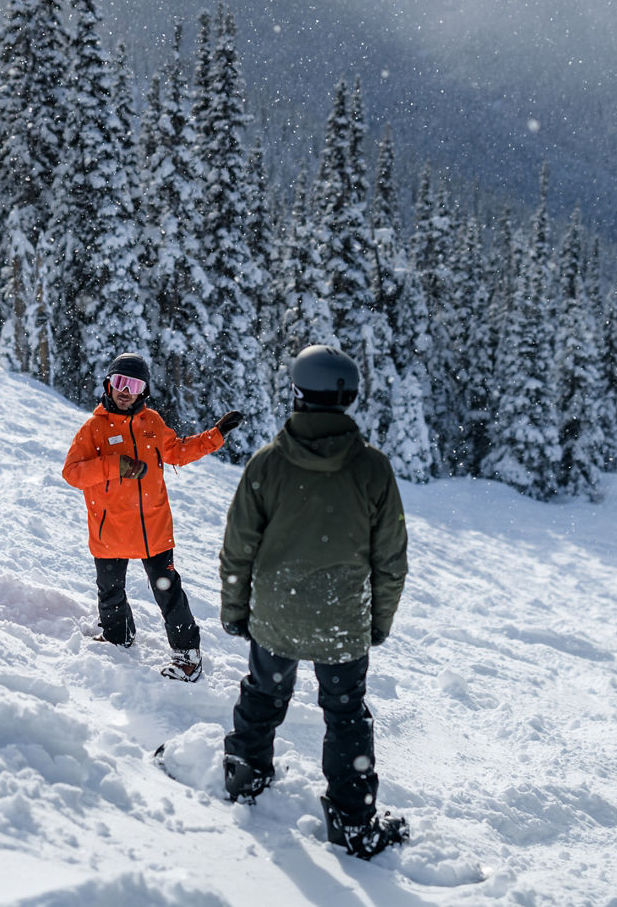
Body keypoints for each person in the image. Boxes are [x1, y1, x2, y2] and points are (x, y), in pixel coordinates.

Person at [219, 345, 410, 859]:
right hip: (342, 620)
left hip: (275, 617)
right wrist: (378, 623)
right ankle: (352, 822)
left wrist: (236, 612)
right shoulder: (372, 469)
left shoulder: (268, 464)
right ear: (348, 397)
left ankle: (245, 775)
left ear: (298, 393)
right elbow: (390, 559)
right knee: (346, 716)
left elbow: (239, 548)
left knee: (263, 695)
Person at [63, 352, 243, 682]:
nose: (125, 390)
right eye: (119, 382)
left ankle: (188, 656)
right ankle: (118, 638)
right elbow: (72, 473)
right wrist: (114, 465)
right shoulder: (93, 429)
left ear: (143, 391)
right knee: (110, 591)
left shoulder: (153, 423)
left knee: (168, 591)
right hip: (110, 528)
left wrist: (215, 435)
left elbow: (179, 451)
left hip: (153, 529)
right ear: (108, 384)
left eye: (133, 384)